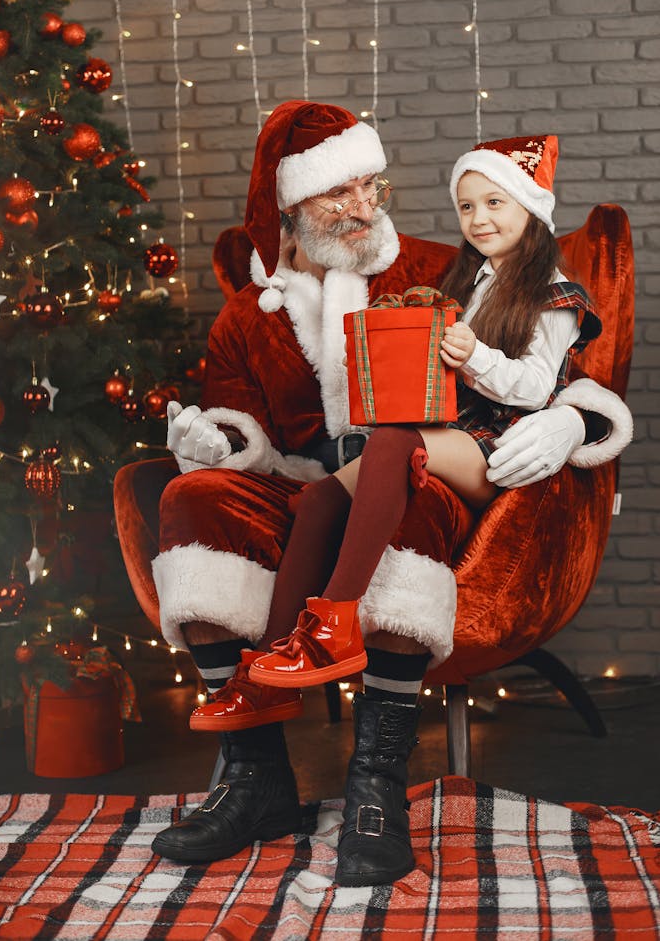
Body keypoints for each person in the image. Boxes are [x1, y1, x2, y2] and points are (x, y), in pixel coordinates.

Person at [148, 101, 631, 886]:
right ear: (293, 205)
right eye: (342, 194)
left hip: (424, 471)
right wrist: (218, 441)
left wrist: (573, 424)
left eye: (374, 186)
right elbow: (238, 420)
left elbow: (556, 368)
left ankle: (375, 789)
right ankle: (256, 773)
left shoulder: (435, 268)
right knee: (192, 500)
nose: (368, 207)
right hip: (308, 482)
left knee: (405, 487)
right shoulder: (244, 318)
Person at [238, 133, 602, 695]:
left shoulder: (556, 295)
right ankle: (262, 673)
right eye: (466, 206)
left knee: (394, 439)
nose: (479, 219)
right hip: (457, 432)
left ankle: (335, 623)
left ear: (530, 206)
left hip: (500, 450)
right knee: (318, 500)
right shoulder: (469, 279)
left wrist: (475, 356)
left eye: (495, 202)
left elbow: (534, 387)